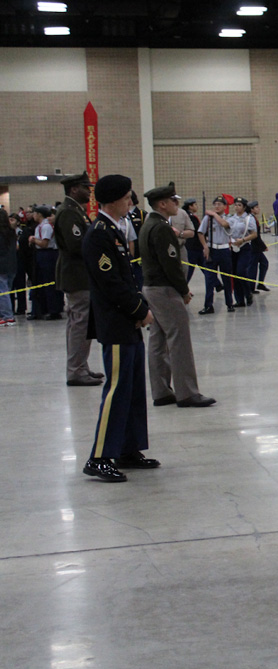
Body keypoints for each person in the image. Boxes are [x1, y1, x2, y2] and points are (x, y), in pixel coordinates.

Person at [81, 174, 157, 483]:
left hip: (127, 321)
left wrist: (138, 310)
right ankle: (99, 457)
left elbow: (127, 278)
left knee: (132, 388)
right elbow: (110, 284)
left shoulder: (113, 230)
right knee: (116, 390)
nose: (131, 202)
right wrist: (141, 310)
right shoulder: (98, 234)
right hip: (115, 323)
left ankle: (128, 448)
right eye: (127, 197)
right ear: (112, 200)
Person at [139, 182, 216, 409]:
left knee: (158, 339)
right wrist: (183, 290)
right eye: (173, 200)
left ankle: (161, 391)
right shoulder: (162, 228)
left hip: (152, 287)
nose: (177, 204)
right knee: (179, 340)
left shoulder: (149, 224)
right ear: (162, 204)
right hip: (164, 288)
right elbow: (171, 264)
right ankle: (187, 393)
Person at [53, 171, 104, 386]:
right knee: (80, 323)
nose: (89, 192)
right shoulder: (68, 213)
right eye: (86, 188)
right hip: (77, 275)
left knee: (80, 323)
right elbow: (76, 245)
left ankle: (80, 366)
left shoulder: (75, 211)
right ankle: (76, 371)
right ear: (74, 189)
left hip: (81, 275)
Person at [196, 195, 234, 314]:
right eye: (215, 204)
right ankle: (208, 305)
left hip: (224, 251)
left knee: (226, 278)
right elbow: (200, 232)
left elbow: (224, 224)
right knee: (209, 279)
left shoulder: (229, 218)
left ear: (225, 206)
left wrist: (214, 214)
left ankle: (229, 303)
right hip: (212, 250)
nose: (217, 206)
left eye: (219, 204)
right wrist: (205, 246)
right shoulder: (208, 219)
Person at [28, 205, 64, 320]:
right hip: (41, 255)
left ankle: (54, 310)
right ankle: (43, 308)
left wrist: (34, 240)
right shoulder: (39, 226)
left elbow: (44, 244)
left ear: (39, 214)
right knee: (41, 281)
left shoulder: (46, 227)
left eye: (34, 213)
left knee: (49, 281)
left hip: (48, 254)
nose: (33, 215)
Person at [228, 197, 258, 307]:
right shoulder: (231, 218)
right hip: (233, 247)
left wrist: (243, 240)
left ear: (244, 207)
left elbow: (254, 234)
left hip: (244, 247)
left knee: (241, 271)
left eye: (239, 205)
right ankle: (239, 299)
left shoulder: (249, 218)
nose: (237, 207)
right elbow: (225, 227)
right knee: (235, 274)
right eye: (235, 205)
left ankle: (247, 292)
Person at [245, 199, 270, 293]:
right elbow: (255, 236)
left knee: (264, 263)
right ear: (251, 209)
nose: (258, 209)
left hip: (257, 248)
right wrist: (263, 246)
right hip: (253, 248)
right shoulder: (251, 219)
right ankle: (251, 287)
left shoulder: (254, 218)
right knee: (252, 267)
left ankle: (260, 283)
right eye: (256, 207)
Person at [0, 208, 17, 327]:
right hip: (12, 264)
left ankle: (7, 316)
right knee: (7, 290)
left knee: (2, 291)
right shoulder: (12, 232)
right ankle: (6, 314)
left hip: (2, 265)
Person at [181, 200, 202, 282]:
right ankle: (184, 286)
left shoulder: (189, 215)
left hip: (195, 246)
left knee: (205, 266)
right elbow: (197, 230)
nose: (197, 206)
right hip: (193, 246)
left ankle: (217, 284)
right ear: (190, 206)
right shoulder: (190, 217)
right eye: (195, 205)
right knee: (189, 269)